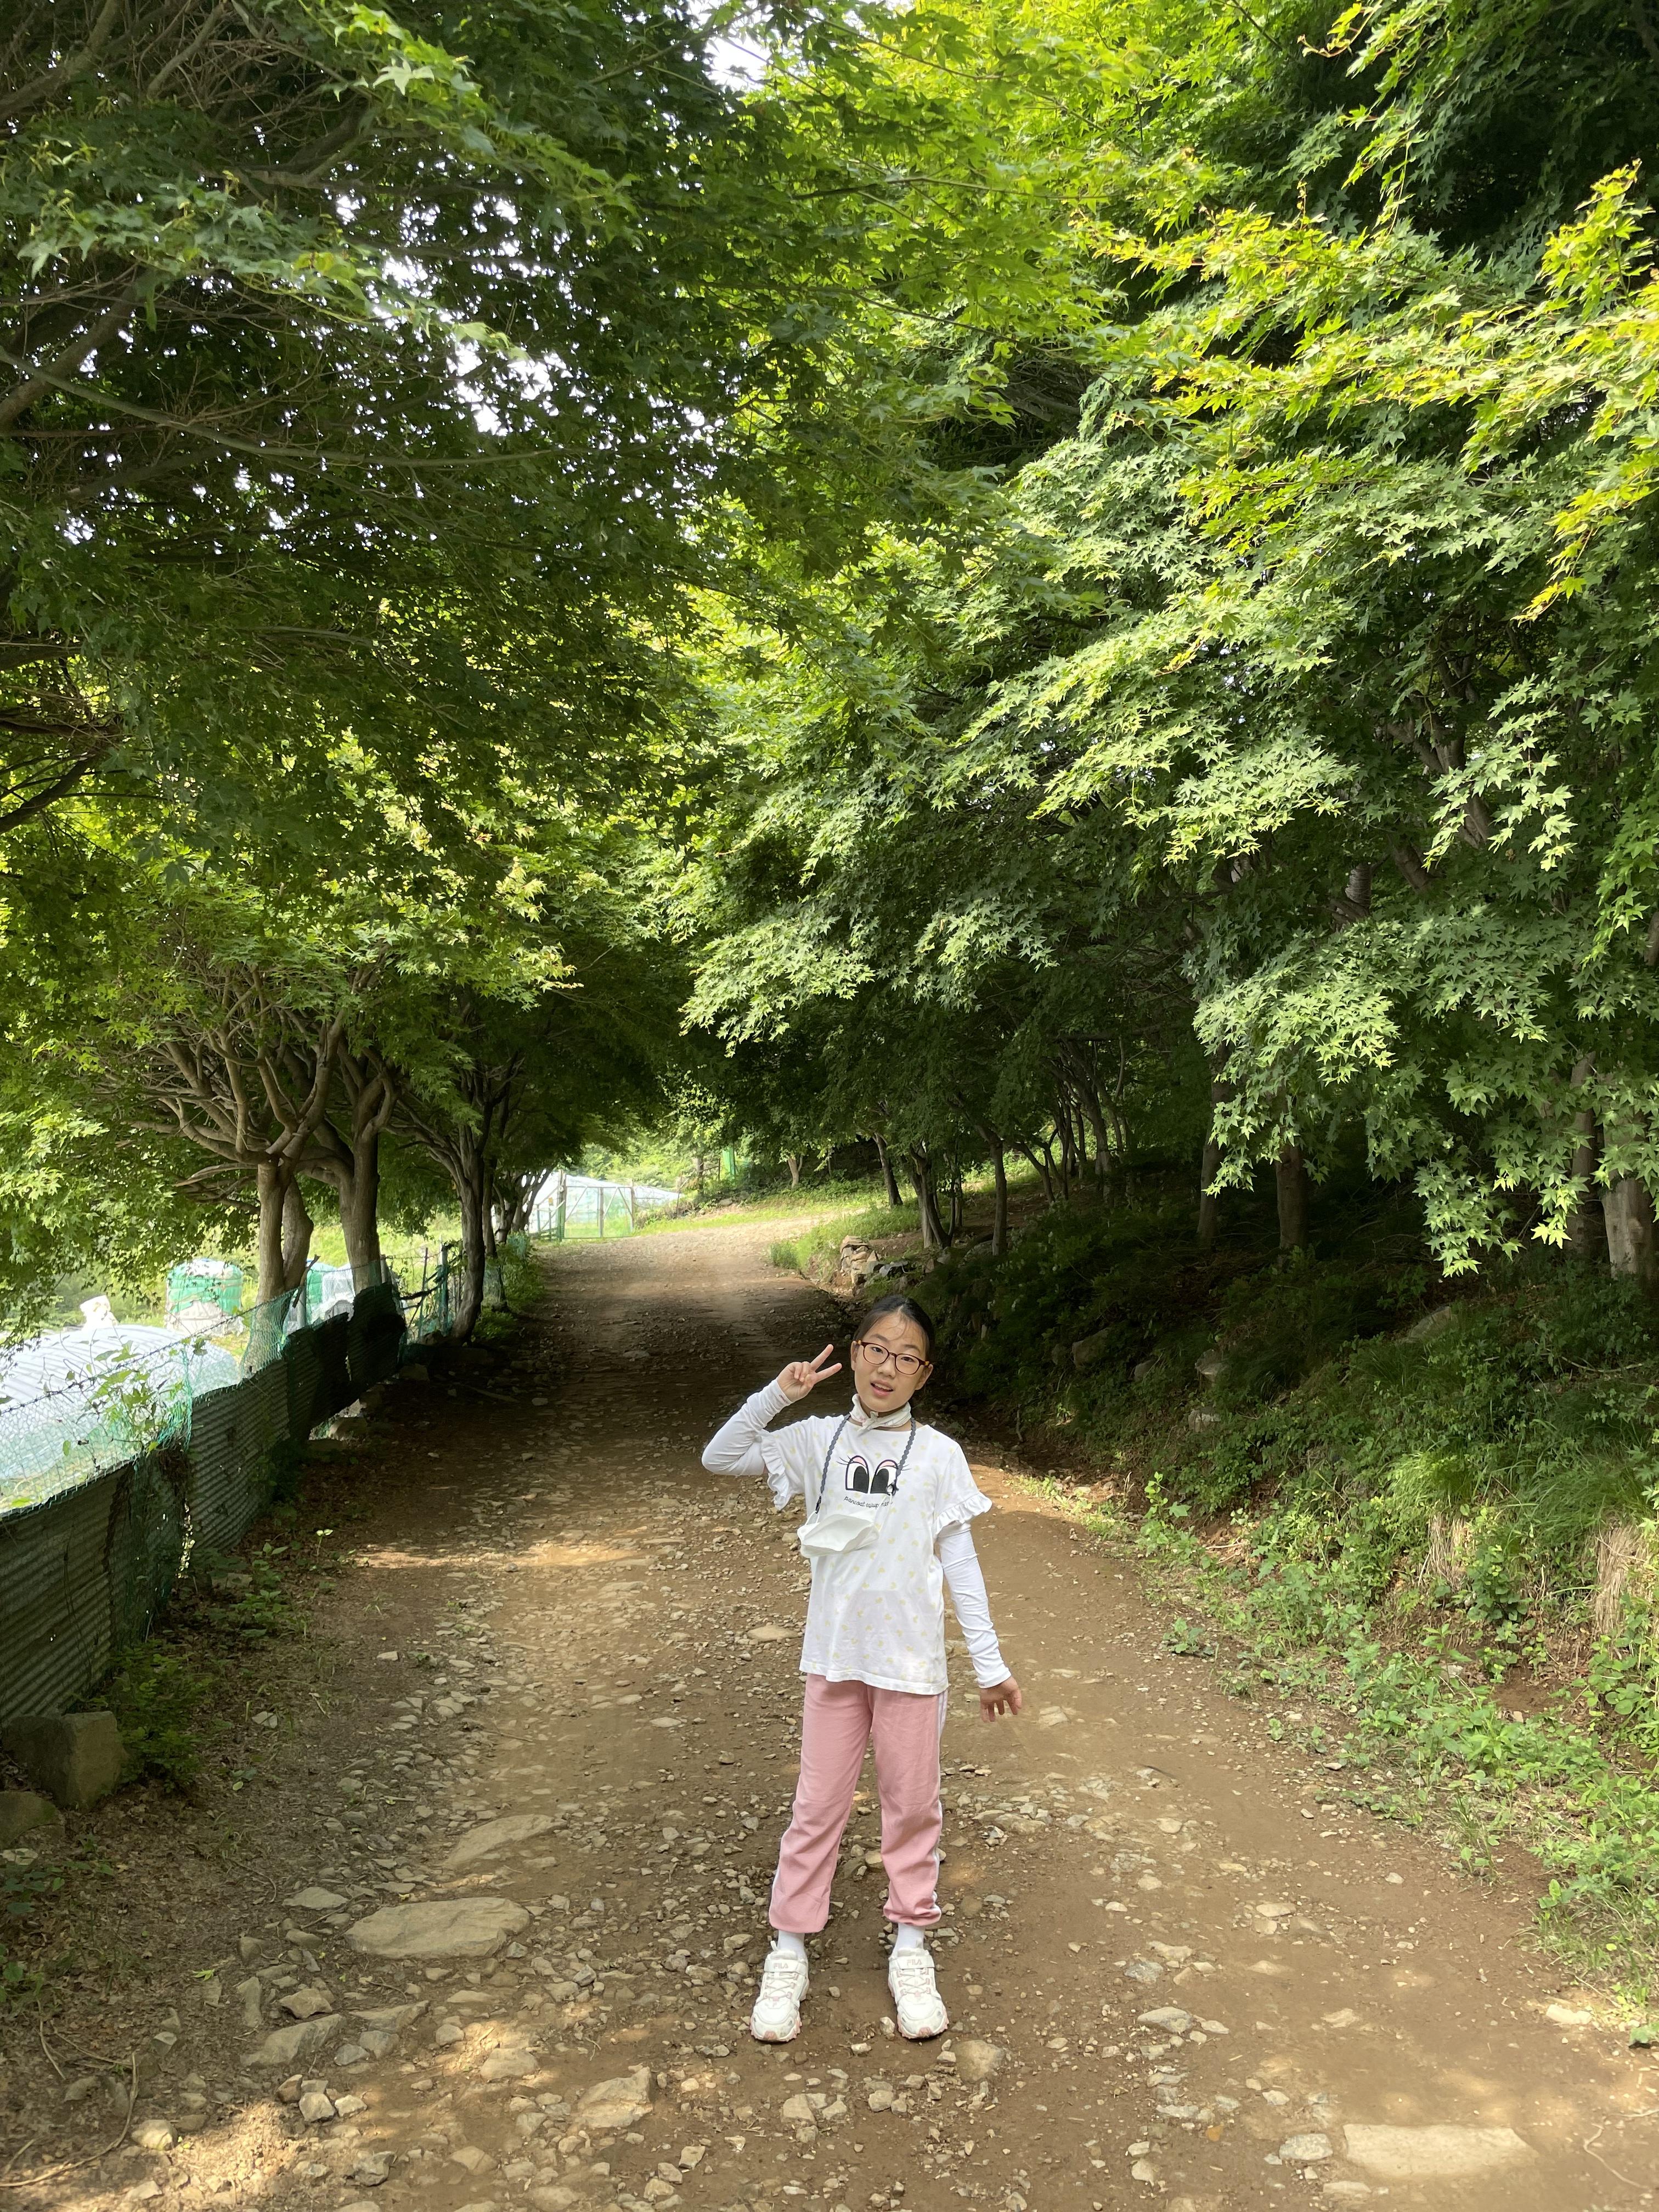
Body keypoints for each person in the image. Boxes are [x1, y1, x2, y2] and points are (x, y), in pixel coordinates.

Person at [702, 1293, 1022, 2044]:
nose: (888, 1367)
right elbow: (720, 1456)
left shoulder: (939, 1456)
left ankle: (911, 1943)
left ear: (924, 1374)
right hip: (835, 1659)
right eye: (877, 1348)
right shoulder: (818, 1440)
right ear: (854, 1354)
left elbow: (961, 1565)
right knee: (817, 1805)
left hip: (912, 1668)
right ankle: (789, 1948)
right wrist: (779, 1394)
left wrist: (990, 1663)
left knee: (911, 1807)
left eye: (907, 1357)